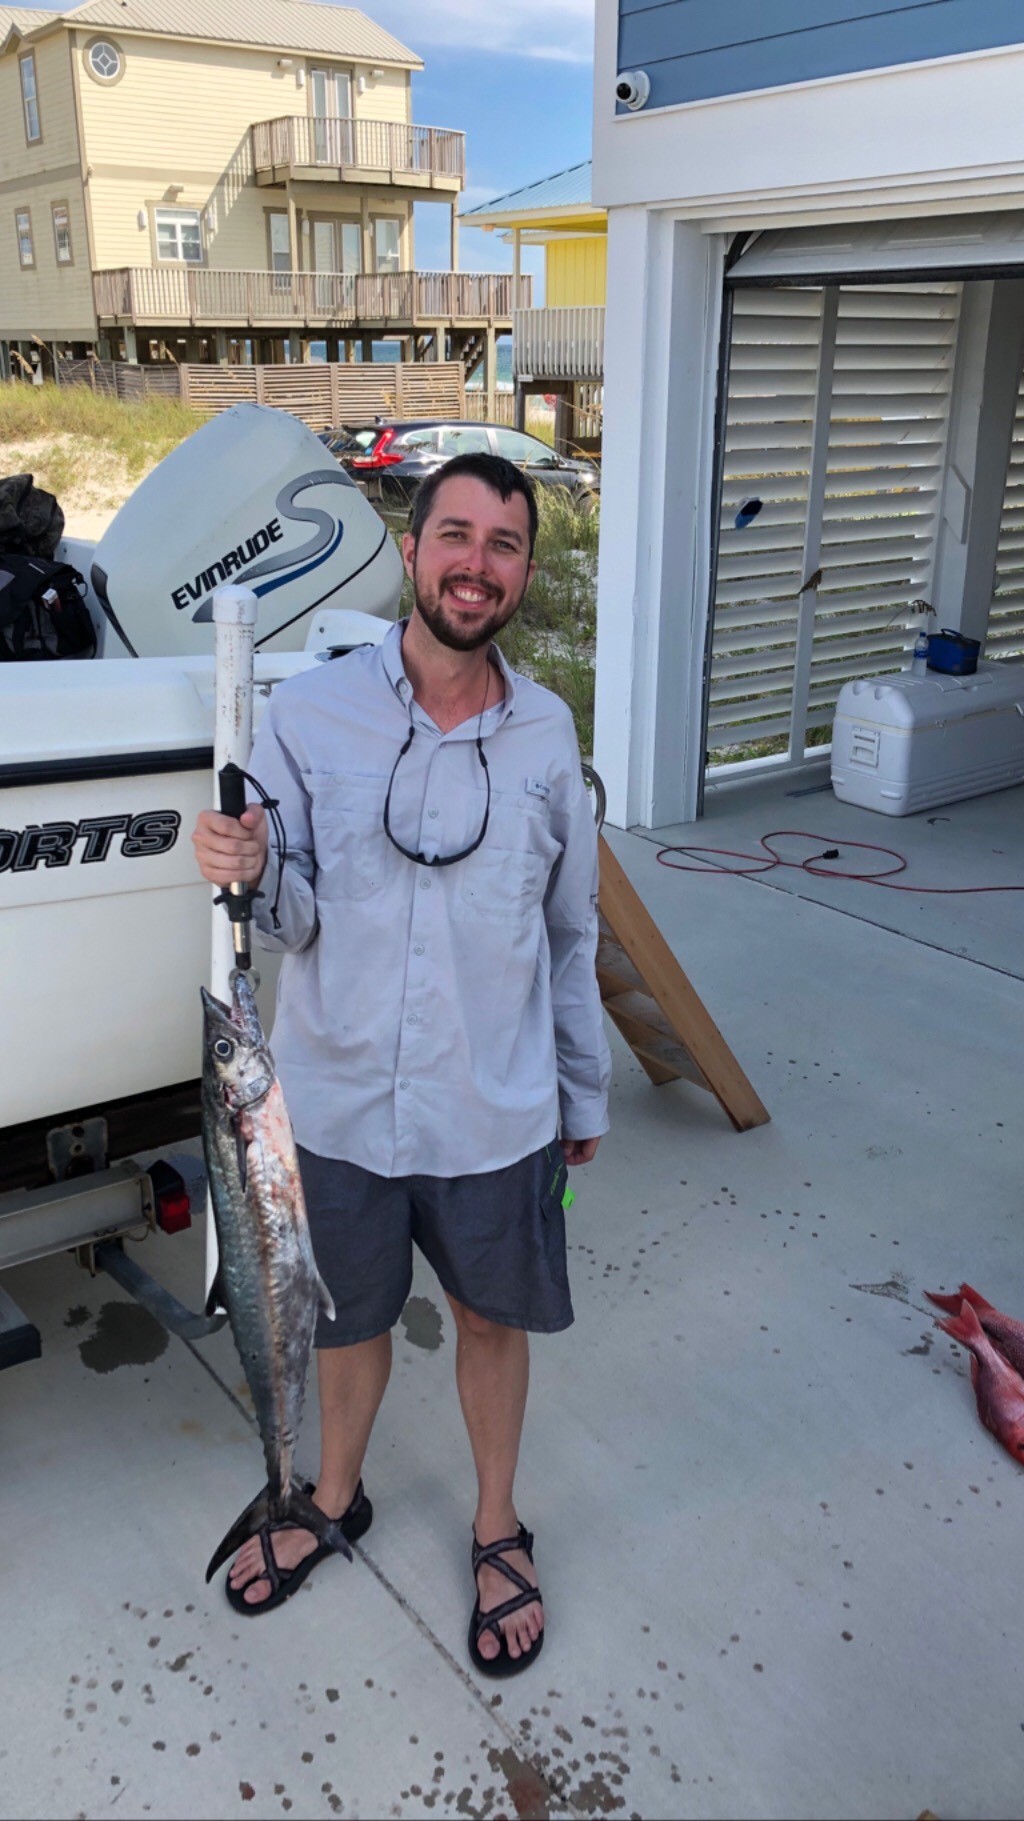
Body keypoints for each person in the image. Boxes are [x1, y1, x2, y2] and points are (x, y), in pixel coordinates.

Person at [191, 452, 611, 1676]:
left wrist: (582, 1093)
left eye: (505, 544)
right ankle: (330, 1496)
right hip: (332, 1103)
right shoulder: (310, 716)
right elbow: (289, 918)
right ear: (413, 545)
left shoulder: (546, 732)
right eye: (457, 535)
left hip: (495, 1106)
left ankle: (495, 1526)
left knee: (489, 1316)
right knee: (346, 1315)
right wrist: (248, 862)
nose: (477, 564)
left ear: (523, 572)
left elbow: (570, 932)